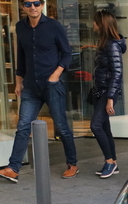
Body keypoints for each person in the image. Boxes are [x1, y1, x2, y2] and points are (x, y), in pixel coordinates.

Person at [0, 0, 79, 184]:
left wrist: (55, 75)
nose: (33, 7)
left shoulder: (54, 26)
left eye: (36, 2)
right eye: (28, 3)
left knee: (61, 126)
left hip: (51, 84)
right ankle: (13, 168)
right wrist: (19, 82)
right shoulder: (20, 27)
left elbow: (67, 54)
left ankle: (73, 163)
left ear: (42, 4)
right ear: (22, 6)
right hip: (31, 87)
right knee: (23, 127)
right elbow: (22, 56)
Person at [91, 10, 126, 178]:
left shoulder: (112, 45)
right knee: (104, 127)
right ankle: (114, 163)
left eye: (95, 22)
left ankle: (109, 162)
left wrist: (110, 98)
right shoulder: (105, 43)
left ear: (101, 25)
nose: (93, 25)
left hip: (107, 91)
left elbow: (117, 72)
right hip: (102, 89)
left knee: (96, 125)